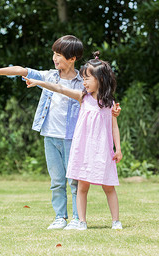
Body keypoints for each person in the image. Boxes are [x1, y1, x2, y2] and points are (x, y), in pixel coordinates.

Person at [0, 36, 120, 230]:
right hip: (50, 135)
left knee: (74, 181)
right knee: (57, 181)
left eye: (59, 55)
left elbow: (100, 103)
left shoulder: (83, 81)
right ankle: (60, 217)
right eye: (54, 53)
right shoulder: (49, 76)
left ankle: (78, 219)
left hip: (73, 138)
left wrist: (113, 112)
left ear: (72, 58)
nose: (54, 58)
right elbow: (20, 70)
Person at [24, 51, 123, 231]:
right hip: (83, 150)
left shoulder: (109, 103)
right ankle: (81, 221)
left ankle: (116, 221)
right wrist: (39, 82)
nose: (83, 82)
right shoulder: (82, 97)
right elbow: (60, 89)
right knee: (82, 186)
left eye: (87, 78)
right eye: (83, 78)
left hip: (103, 150)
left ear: (101, 79)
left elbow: (114, 126)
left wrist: (118, 149)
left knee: (108, 186)